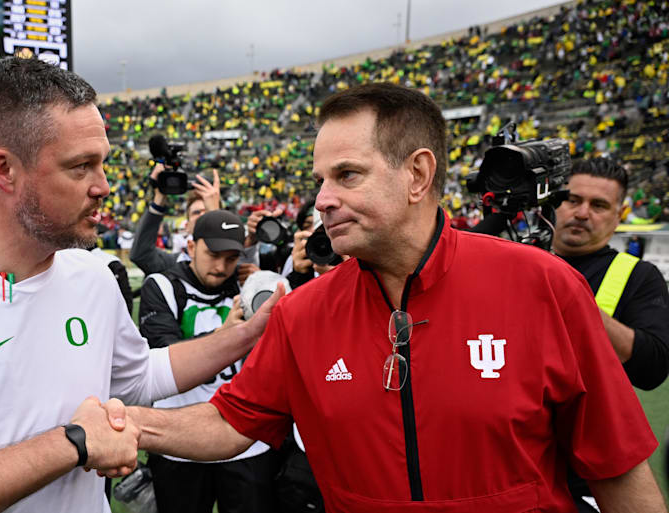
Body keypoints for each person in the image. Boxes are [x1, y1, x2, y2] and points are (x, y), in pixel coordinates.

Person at [123, 83, 666, 512]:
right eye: (320, 180)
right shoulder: (302, 312)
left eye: (347, 175)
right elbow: (229, 422)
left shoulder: (543, 284)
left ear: (418, 174)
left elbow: (616, 466)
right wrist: (126, 424)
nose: (323, 200)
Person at [0, 57, 280, 513]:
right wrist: (72, 443)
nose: (103, 186)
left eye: (102, 163)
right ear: (3, 170)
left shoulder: (91, 274)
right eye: (80, 166)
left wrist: (243, 336)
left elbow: (138, 377)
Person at [138, 209, 277, 513]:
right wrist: (223, 335)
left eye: (231, 258)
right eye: (213, 254)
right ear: (190, 247)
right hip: (178, 444)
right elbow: (164, 352)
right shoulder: (162, 285)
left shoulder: (249, 287)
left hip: (246, 443)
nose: (222, 266)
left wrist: (262, 289)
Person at [551, 157, 669, 511]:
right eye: (573, 200)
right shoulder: (513, 259)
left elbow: (653, 367)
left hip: (587, 476)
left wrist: (575, 301)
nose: (583, 213)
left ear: (619, 215)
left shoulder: (639, 276)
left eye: (599, 205)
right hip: (511, 459)